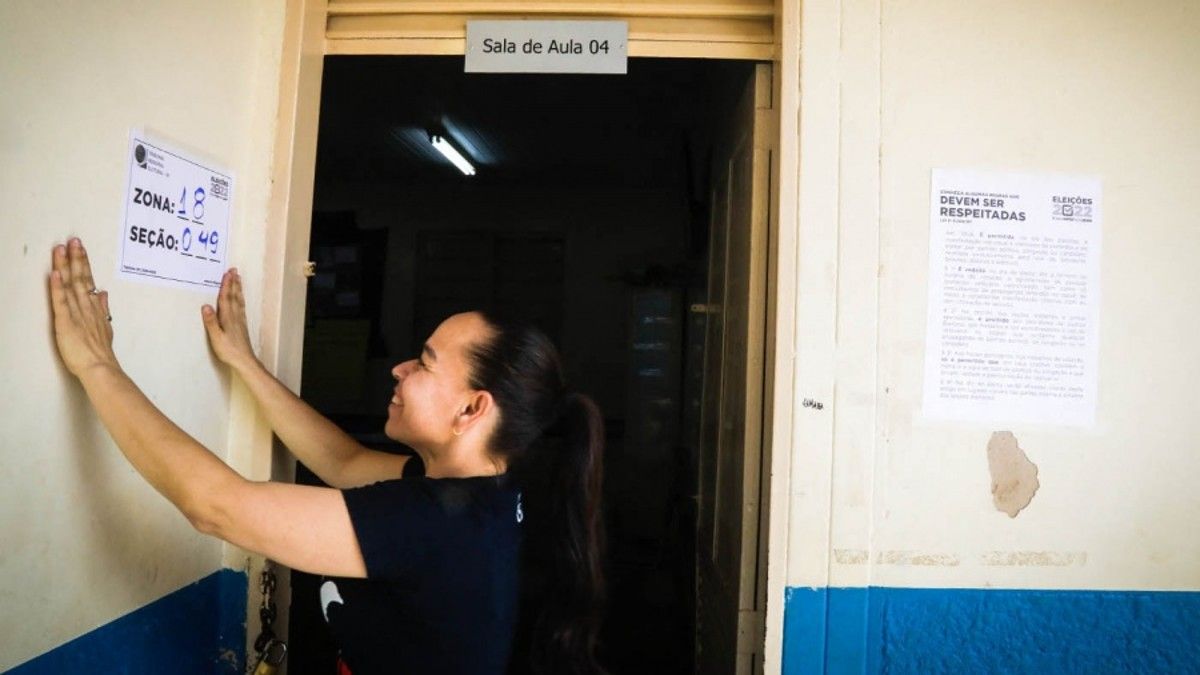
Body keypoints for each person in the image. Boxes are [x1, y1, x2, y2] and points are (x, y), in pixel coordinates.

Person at [47, 238, 607, 674]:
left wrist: (97, 366)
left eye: (424, 363)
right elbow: (344, 463)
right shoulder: (483, 490)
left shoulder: (430, 522)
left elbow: (216, 507)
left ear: (470, 409)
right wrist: (245, 364)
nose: (399, 369)